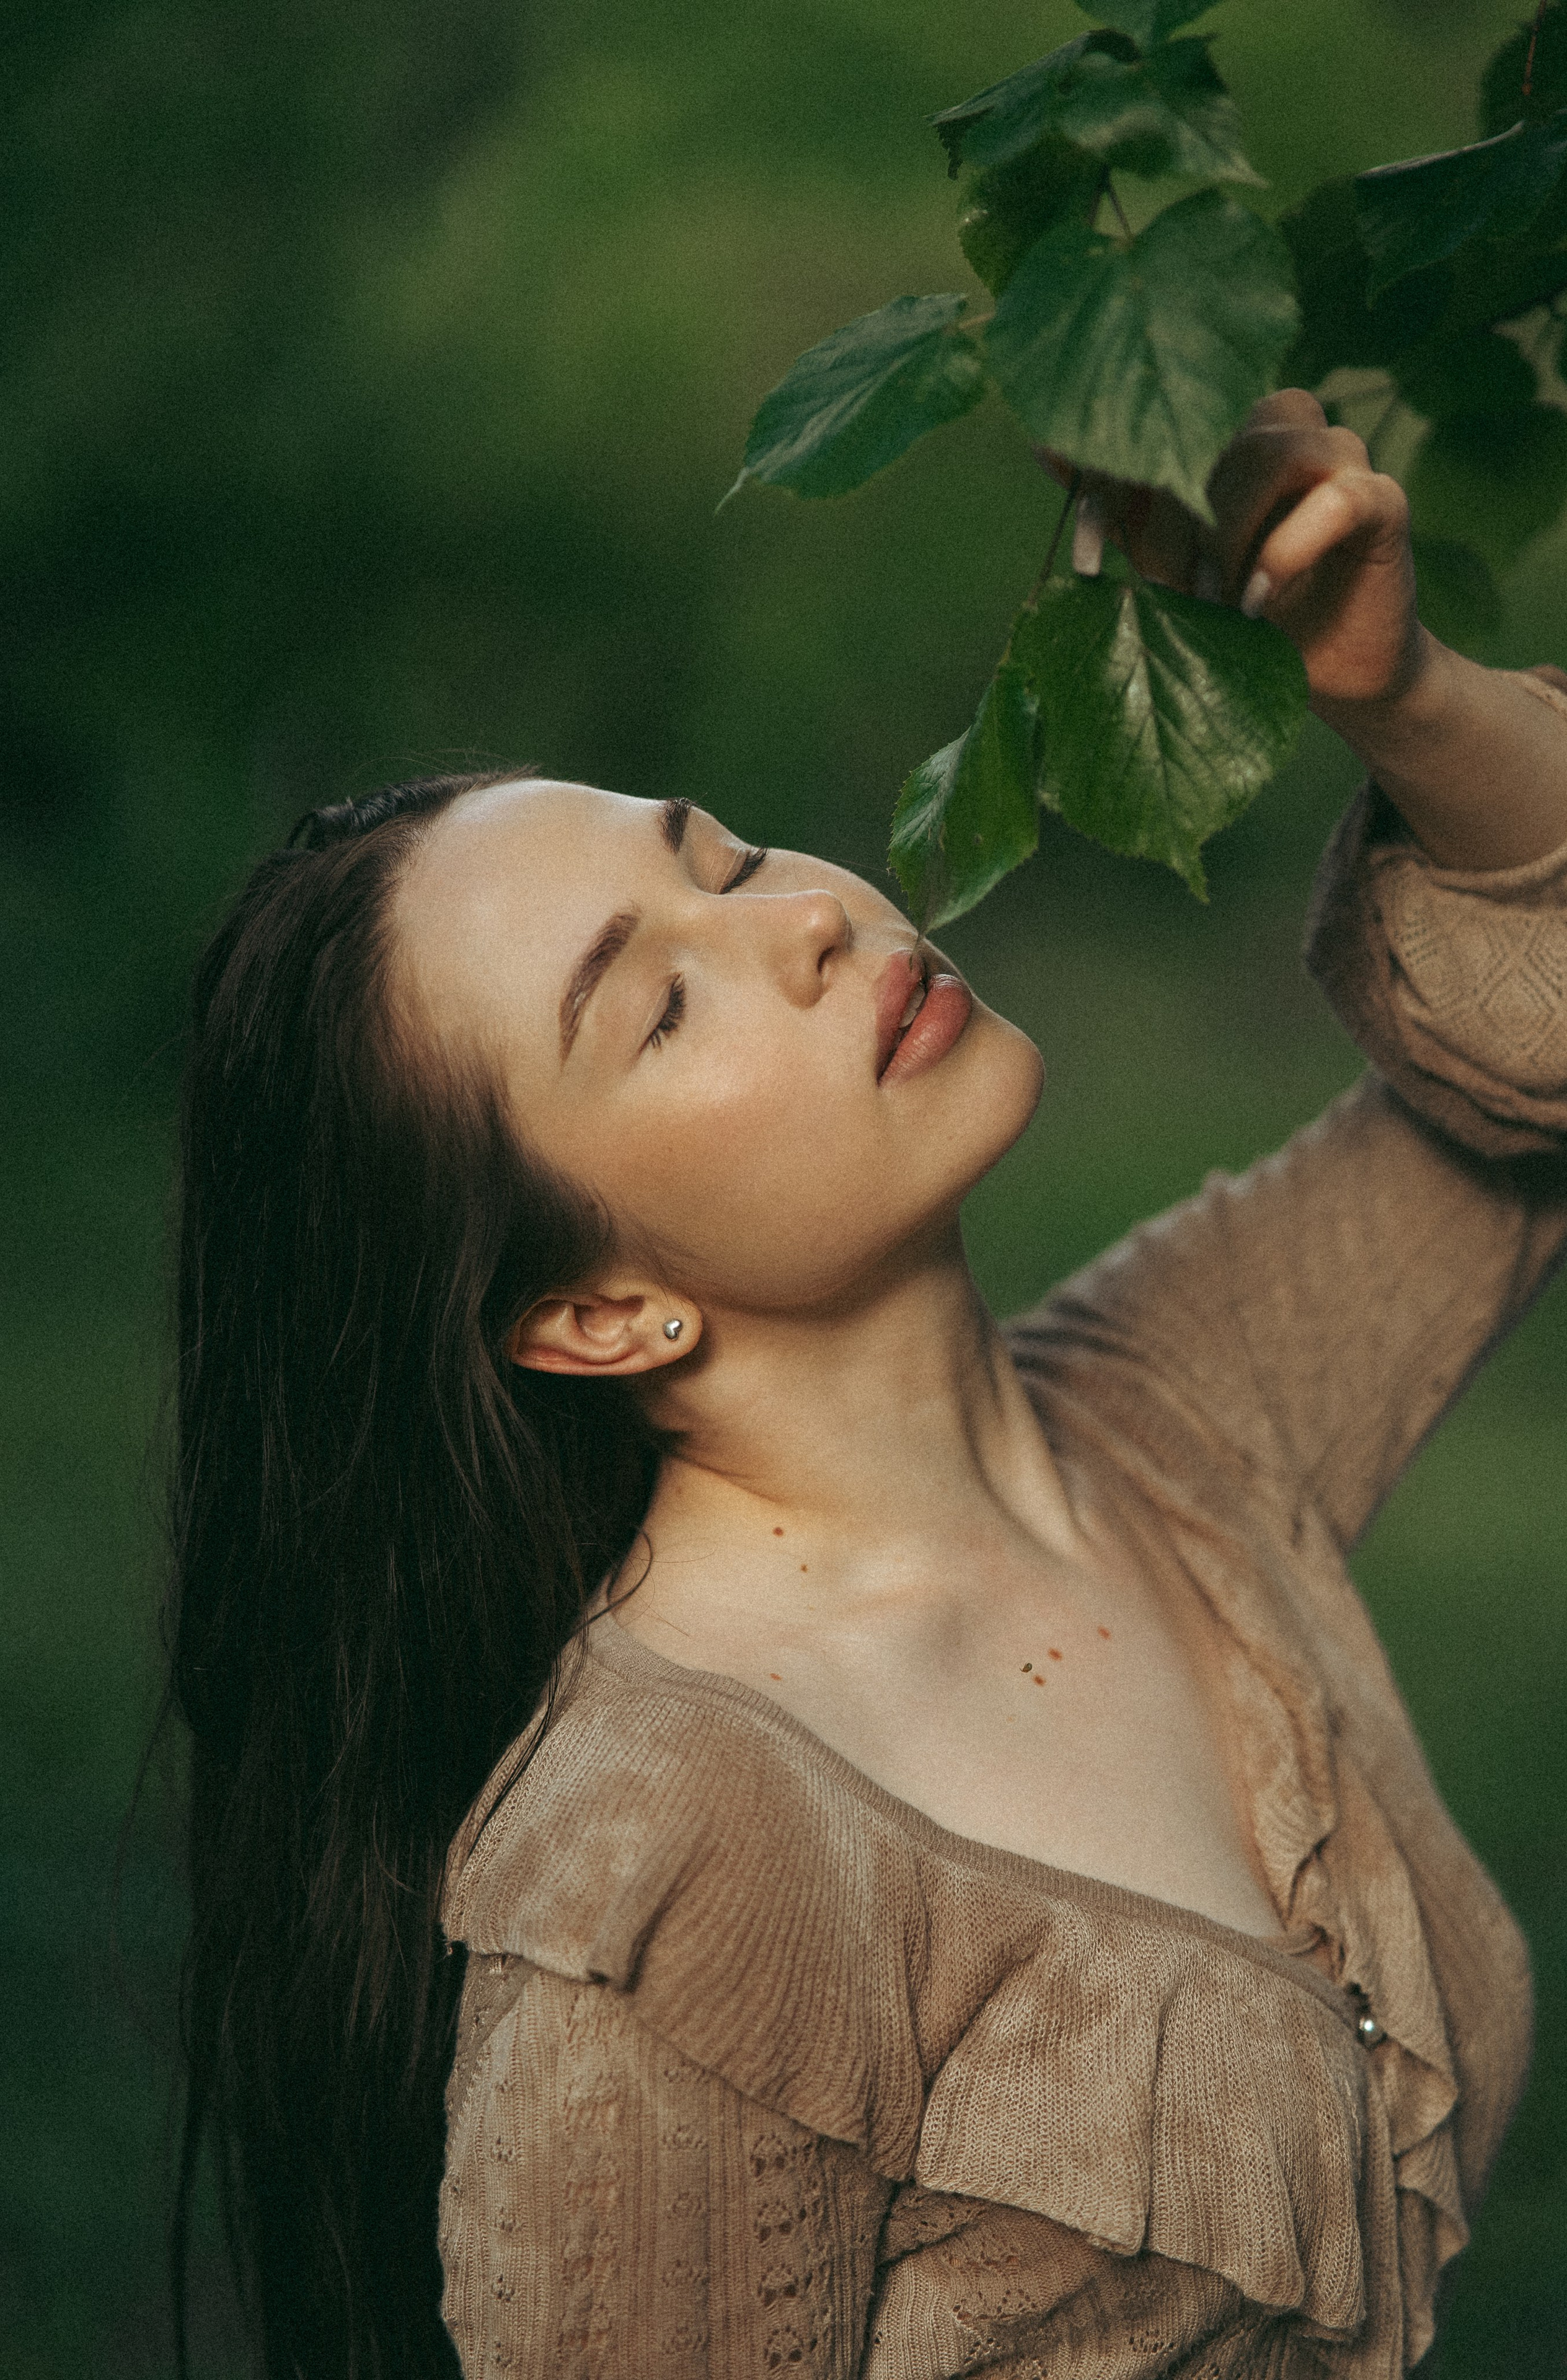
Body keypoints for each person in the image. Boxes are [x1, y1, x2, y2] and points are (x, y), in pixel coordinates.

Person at [164, 391, 1567, 2379]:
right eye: (658, 1003)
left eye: (723, 856)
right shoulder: (674, 1878)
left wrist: (1396, 684)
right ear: (591, 1312)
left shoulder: (1176, 1412)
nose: (809, 920)